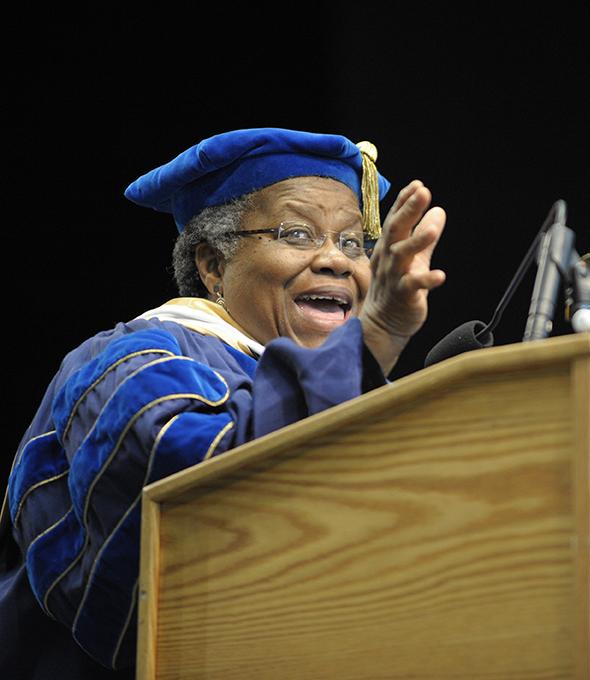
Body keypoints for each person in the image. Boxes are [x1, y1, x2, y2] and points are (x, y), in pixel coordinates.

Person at [0, 128, 446, 678]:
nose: (336, 261)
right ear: (213, 265)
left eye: (353, 243)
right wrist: (374, 337)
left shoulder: (343, 390)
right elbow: (201, 472)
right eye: (298, 233)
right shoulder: (131, 357)